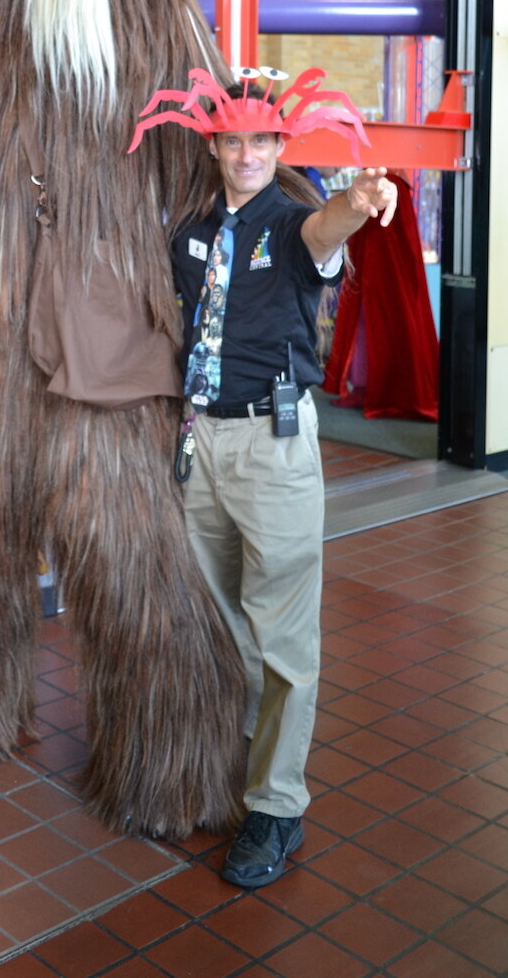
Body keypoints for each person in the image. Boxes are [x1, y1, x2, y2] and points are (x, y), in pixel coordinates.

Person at [146, 70, 396, 888]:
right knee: (220, 628)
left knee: (283, 638)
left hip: (274, 448)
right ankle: (237, 773)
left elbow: (326, 232)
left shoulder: (292, 226)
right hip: (199, 446)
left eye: (260, 140)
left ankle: (277, 806)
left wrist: (358, 202)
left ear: (278, 146)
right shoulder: (188, 227)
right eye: (232, 140)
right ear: (212, 144)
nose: (246, 153)